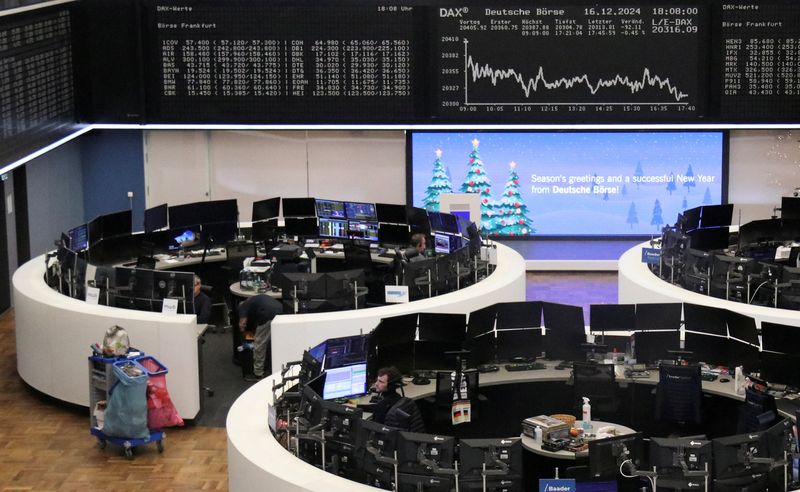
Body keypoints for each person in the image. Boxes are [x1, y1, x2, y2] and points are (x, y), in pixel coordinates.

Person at [238, 293, 283, 381]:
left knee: (259, 344)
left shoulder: (243, 306)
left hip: (267, 315)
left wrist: (243, 336)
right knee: (274, 341)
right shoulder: (257, 299)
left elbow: (242, 324)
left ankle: (258, 374)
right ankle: (272, 367)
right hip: (281, 311)